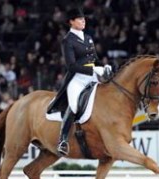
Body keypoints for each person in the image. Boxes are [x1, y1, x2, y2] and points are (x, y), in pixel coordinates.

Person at [47, 7, 112, 157]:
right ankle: (63, 140)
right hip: (77, 78)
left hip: (93, 75)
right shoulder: (67, 40)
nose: (83, 21)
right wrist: (93, 70)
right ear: (71, 22)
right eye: (80, 19)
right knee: (75, 105)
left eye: (84, 19)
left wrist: (103, 65)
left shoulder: (88, 37)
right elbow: (71, 65)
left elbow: (94, 59)